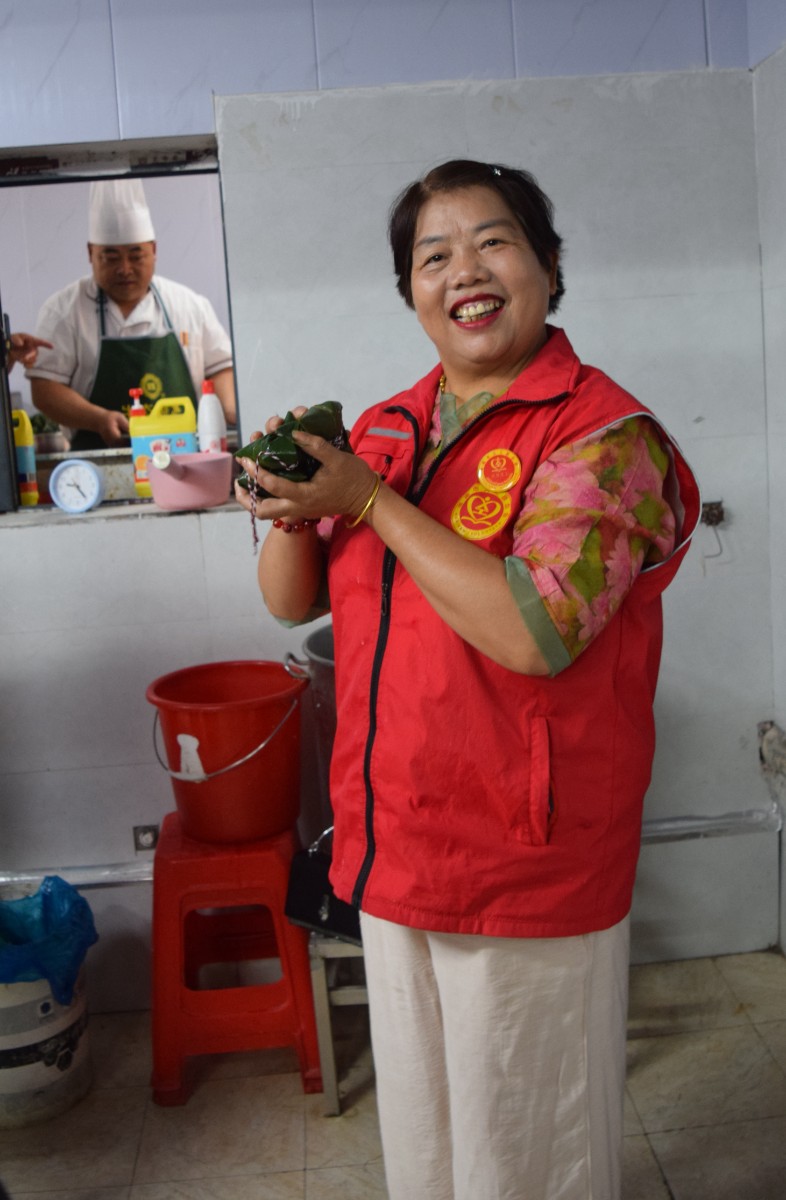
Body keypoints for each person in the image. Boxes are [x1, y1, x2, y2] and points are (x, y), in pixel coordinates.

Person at [235, 160, 700, 1200]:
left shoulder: (603, 434)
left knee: (530, 1158)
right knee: (432, 1151)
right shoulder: (388, 428)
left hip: (527, 862)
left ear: (549, 267)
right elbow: (289, 604)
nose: (465, 271)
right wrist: (287, 505)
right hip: (399, 847)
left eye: (494, 242)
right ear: (410, 292)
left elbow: (536, 632)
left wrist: (368, 504)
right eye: (433, 256)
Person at [26, 179, 236, 451]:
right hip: (100, 459)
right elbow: (45, 388)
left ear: (154, 251)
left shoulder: (189, 305)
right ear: (91, 253)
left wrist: (231, 411)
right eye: (111, 257)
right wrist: (98, 419)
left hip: (186, 457)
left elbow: (221, 368)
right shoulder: (63, 310)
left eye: (136, 256)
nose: (125, 269)